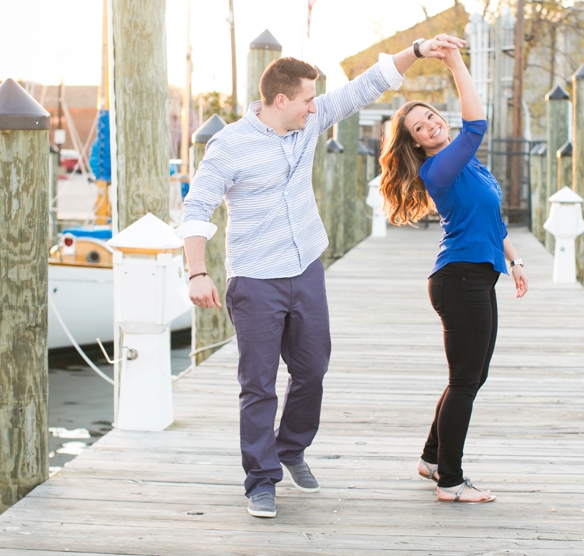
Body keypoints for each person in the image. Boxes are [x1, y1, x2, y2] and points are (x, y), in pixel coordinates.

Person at [176, 34, 464, 518]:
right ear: (282, 99)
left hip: (306, 265)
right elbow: (197, 207)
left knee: (312, 370)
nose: (315, 107)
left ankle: (291, 447)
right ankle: (261, 479)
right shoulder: (228, 146)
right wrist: (196, 272)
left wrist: (416, 50)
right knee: (258, 384)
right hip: (256, 279)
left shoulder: (307, 124)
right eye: (308, 99)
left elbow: (363, 88)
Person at [378, 41, 529, 503]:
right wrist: (456, 62)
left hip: (477, 276)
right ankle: (450, 480)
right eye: (420, 127)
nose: (430, 125)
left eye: (430, 117)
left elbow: (492, 217)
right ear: (417, 142)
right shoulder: (439, 167)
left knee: (470, 377)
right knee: (465, 380)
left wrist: (514, 259)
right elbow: (478, 123)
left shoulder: (469, 163)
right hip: (458, 279)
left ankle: (431, 458)